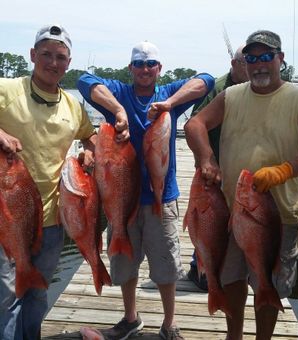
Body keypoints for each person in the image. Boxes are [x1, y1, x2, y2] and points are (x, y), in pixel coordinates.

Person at [78, 41, 215, 340]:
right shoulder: (119, 92)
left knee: (166, 262)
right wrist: (117, 110)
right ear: (130, 68)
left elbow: (207, 79)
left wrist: (169, 104)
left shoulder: (169, 96)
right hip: (120, 198)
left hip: (161, 199)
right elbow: (84, 80)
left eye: (150, 64)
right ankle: (130, 317)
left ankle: (170, 323)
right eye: (138, 64)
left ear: (159, 68)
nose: (144, 69)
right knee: (125, 262)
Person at [0, 24, 127, 340]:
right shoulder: (6, 89)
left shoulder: (73, 105)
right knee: (5, 298)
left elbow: (91, 135)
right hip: (8, 215)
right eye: (46, 54)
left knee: (37, 293)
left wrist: (89, 150)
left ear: (69, 63)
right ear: (32, 55)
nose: (53, 63)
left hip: (53, 219)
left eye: (60, 57)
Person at [184, 30, 298, 340]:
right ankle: (234, 335)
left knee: (268, 283)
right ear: (243, 63)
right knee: (231, 278)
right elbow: (194, 124)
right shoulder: (232, 95)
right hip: (231, 210)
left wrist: (284, 171)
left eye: (266, 56)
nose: (259, 65)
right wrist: (206, 158)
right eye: (251, 59)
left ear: (280, 59)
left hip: (278, 215)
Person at [188, 45, 249, 291]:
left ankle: (230, 267)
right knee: (206, 218)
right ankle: (200, 268)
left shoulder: (254, 90)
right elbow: (194, 123)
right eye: (246, 62)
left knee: (228, 222)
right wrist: (206, 158)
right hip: (213, 169)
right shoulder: (218, 90)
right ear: (234, 65)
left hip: (240, 169)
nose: (252, 67)